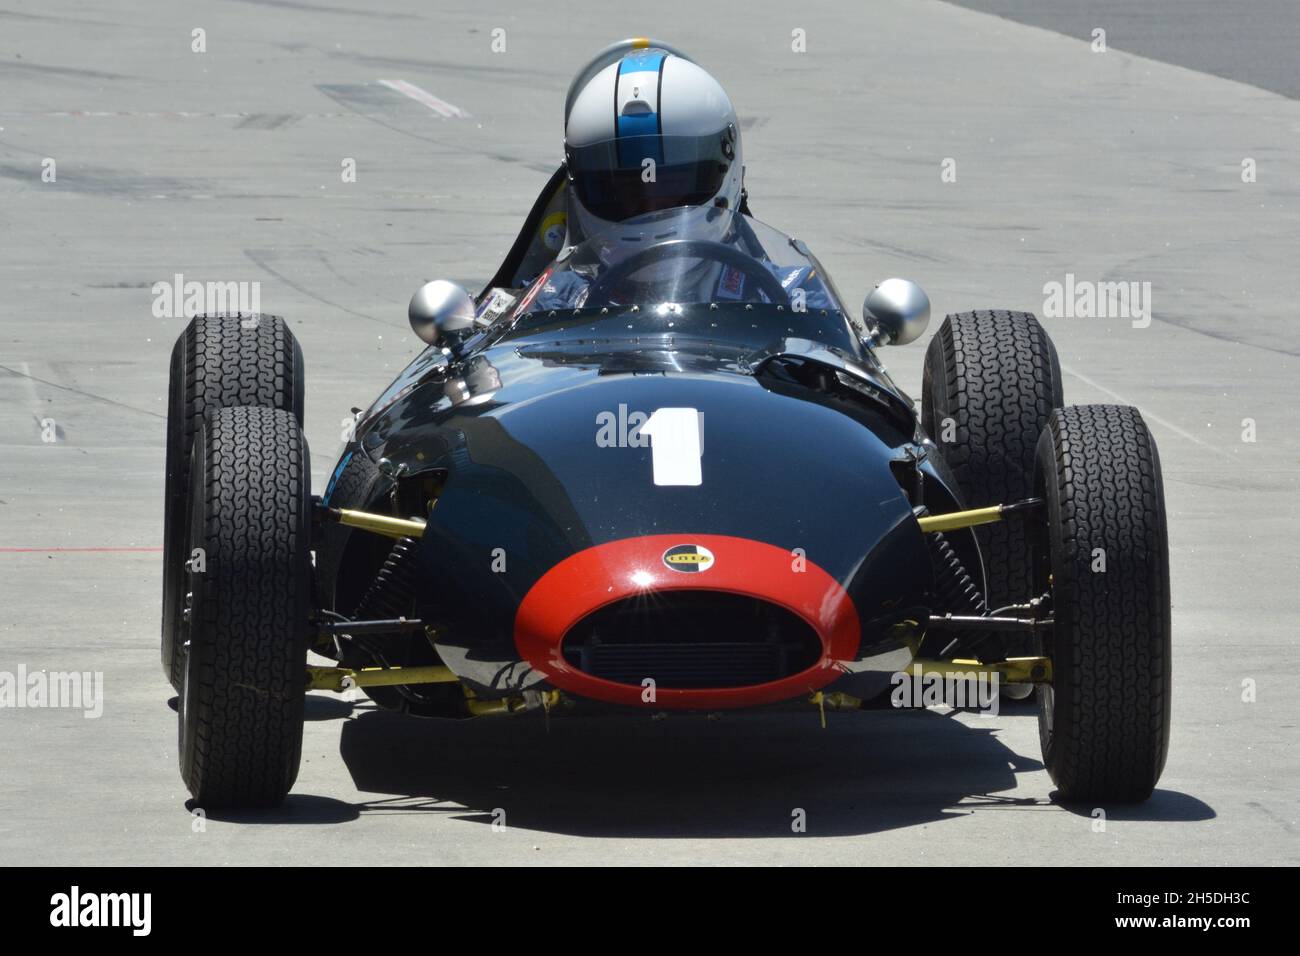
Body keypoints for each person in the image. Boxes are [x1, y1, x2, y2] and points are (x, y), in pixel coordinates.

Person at [531, 46, 832, 312]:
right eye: (625, 192)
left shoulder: (790, 295)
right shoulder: (556, 301)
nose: (650, 207)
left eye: (669, 188)